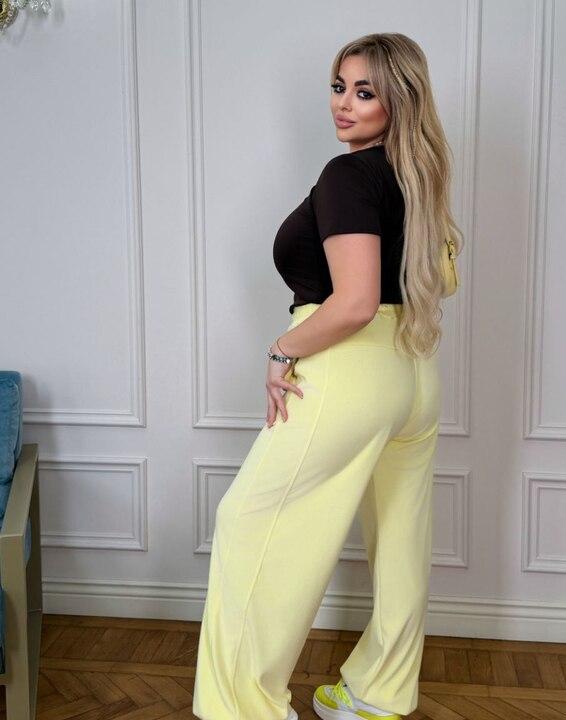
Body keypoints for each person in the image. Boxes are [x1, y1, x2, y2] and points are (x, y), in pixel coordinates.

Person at [192, 31, 463, 720]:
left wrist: (282, 349)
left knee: (247, 521)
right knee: (400, 539)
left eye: (364, 92)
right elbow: (421, 283)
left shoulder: (348, 176)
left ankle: (242, 709)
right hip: (413, 376)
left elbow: (354, 302)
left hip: (349, 375)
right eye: (339, 87)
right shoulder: (417, 176)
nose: (344, 104)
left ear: (398, 101)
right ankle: (377, 695)